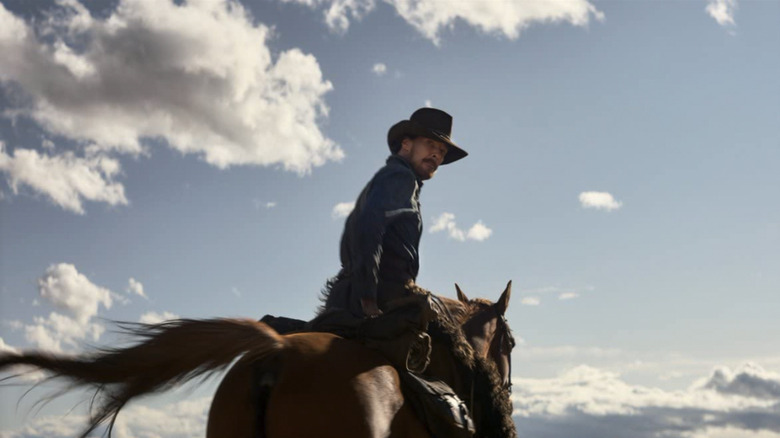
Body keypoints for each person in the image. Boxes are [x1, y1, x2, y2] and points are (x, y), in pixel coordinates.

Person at [322, 107, 468, 318]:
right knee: (453, 340)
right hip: (381, 295)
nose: (436, 154)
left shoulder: (396, 179)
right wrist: (368, 297)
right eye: (430, 144)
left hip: (355, 291)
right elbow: (369, 229)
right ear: (406, 144)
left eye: (442, 151)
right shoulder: (401, 177)